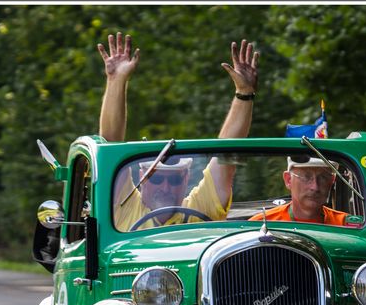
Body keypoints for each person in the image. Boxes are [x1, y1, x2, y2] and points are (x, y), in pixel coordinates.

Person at [96, 33, 259, 229]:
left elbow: (226, 156)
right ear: (142, 178)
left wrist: (244, 93)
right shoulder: (125, 208)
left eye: (174, 179)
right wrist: (116, 80)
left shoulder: (200, 209)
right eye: (156, 178)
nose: (165, 187)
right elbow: (110, 147)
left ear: (186, 179)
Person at [250, 156, 350, 226]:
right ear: (288, 180)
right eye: (306, 177)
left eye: (323, 177)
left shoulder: (346, 225)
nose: (314, 187)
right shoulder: (261, 224)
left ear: (332, 181)